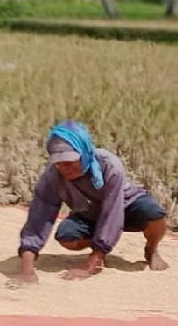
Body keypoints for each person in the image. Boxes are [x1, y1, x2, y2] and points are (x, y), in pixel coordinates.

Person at [15, 121, 169, 284]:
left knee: (155, 214)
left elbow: (112, 212)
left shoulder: (109, 165)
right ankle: (99, 246)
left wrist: (90, 266)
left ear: (84, 152)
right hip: (89, 213)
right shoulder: (52, 177)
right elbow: (37, 220)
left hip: (125, 205)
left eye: (69, 162)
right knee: (66, 237)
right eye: (58, 163)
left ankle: (151, 250)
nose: (64, 168)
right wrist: (27, 271)